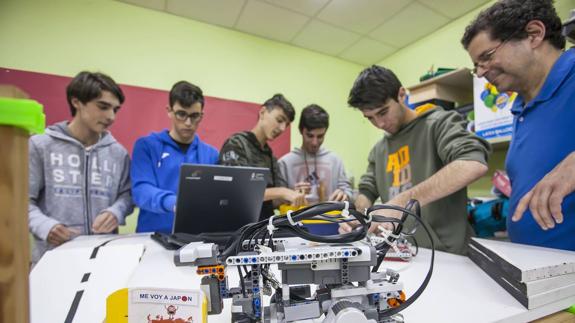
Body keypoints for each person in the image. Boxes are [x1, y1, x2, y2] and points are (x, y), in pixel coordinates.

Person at [340, 65, 491, 255]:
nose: (379, 124)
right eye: (370, 118)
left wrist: (401, 201)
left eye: (383, 112)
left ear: (401, 95)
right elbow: (366, 193)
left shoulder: (439, 124)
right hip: (401, 253)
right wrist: (358, 217)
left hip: (449, 254)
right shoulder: (378, 151)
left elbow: (472, 164)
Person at [462, 0, 575, 250]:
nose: (480, 73)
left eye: (486, 57)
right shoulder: (519, 108)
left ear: (534, 34)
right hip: (537, 267)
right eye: (476, 66)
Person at [28, 71, 133, 263]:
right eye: (103, 107)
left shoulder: (118, 153)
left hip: (101, 259)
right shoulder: (40, 145)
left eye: (115, 110)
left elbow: (127, 195)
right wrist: (45, 226)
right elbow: (22, 202)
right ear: (77, 102)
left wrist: (116, 212)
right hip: (52, 257)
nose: (110, 117)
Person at [131, 81, 218, 233]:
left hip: (196, 238)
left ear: (201, 115)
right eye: (181, 114)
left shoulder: (212, 155)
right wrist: (172, 202)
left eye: (194, 116)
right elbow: (140, 191)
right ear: (169, 111)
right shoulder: (146, 146)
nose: (188, 122)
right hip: (152, 237)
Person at [219, 94, 306, 220]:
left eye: (286, 125)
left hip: (264, 229)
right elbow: (235, 193)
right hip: (238, 228)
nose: (282, 128)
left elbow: (276, 202)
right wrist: (283, 192)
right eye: (279, 120)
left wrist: (294, 194)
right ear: (263, 112)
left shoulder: (270, 157)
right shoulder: (236, 144)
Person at [278, 104, 353, 203]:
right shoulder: (284, 163)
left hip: (330, 217)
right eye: (310, 136)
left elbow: (347, 191)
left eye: (320, 136)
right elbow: (276, 202)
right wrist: (290, 194)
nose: (315, 142)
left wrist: (344, 194)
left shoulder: (335, 160)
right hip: (298, 217)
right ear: (301, 130)